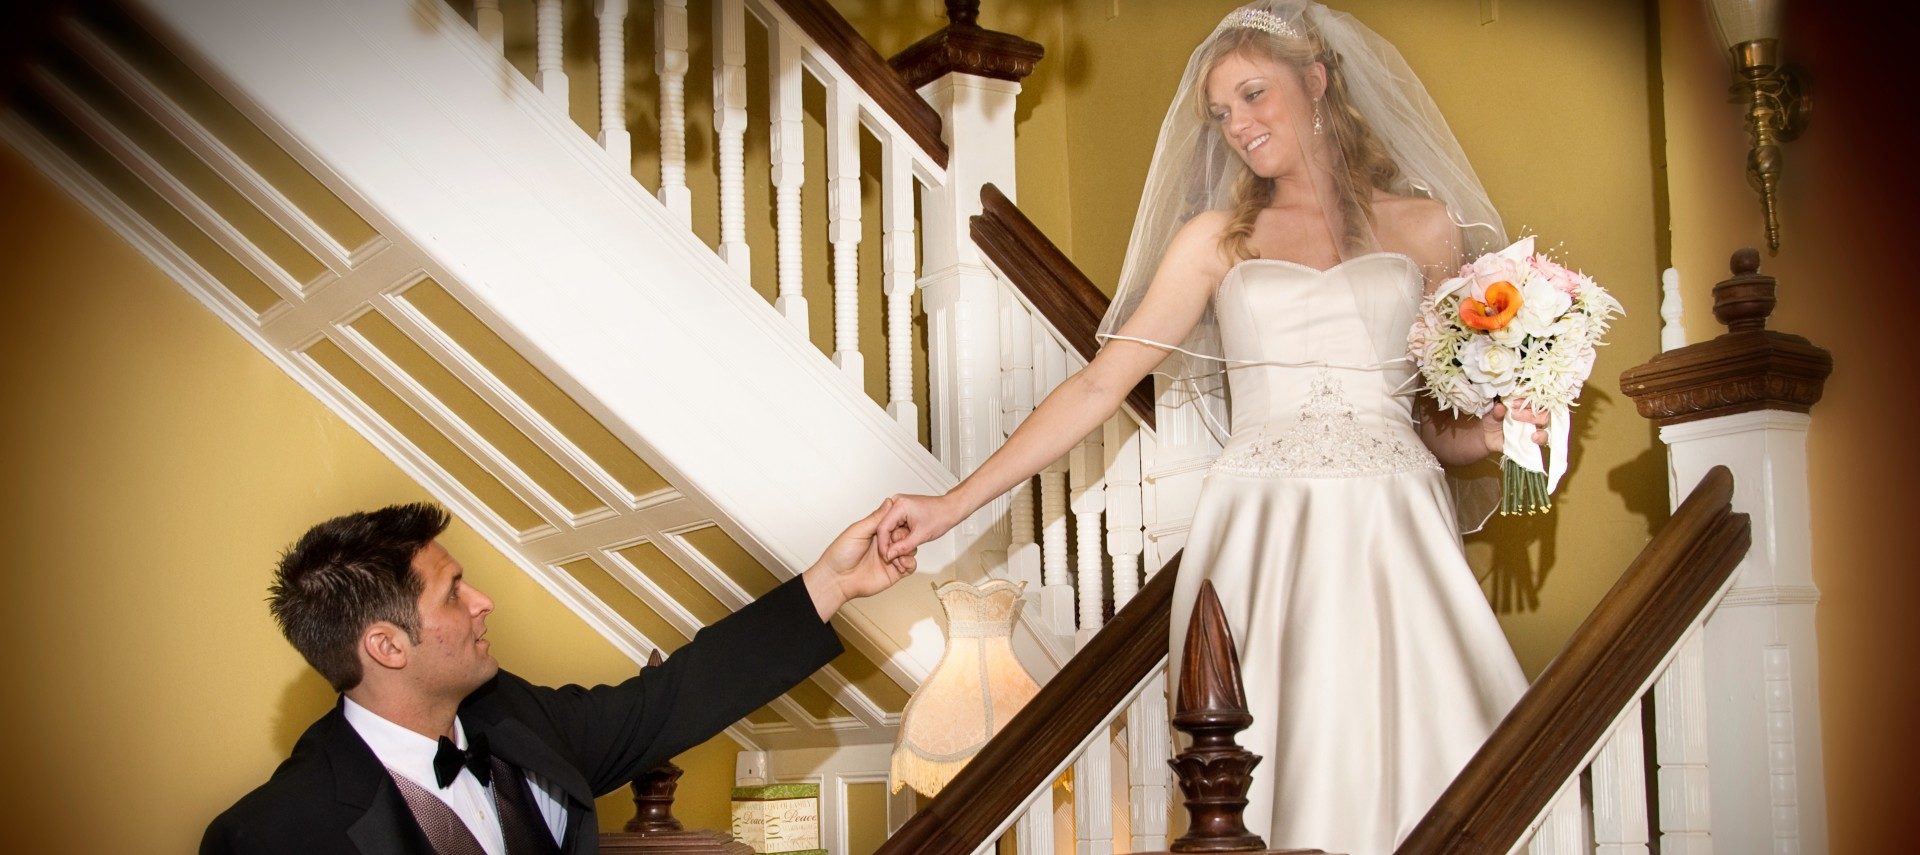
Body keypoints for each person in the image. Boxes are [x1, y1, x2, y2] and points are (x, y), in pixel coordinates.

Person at [875, 3, 1548, 852]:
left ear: (1317, 80)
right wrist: (950, 504)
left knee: (1430, 760)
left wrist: (1491, 435)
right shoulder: (1215, 241)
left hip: (1397, 528)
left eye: (1255, 95)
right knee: (1266, 776)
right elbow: (1096, 387)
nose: (1239, 126)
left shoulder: (1425, 229)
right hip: (1265, 533)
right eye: (1222, 112)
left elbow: (1428, 419)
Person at [203, 500, 914, 854]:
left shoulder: (508, 715)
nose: (482, 601)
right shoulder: (273, 835)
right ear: (387, 644)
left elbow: (667, 700)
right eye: (453, 591)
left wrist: (833, 583)